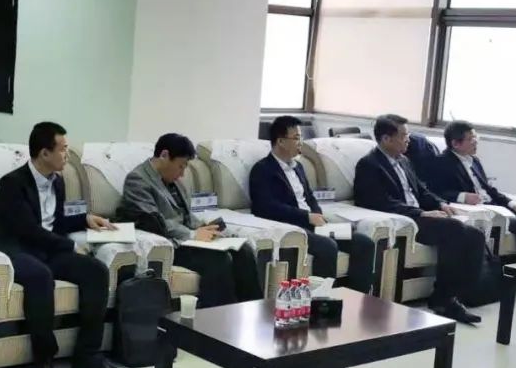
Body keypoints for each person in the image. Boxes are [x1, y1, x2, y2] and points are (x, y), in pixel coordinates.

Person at [0, 121, 127, 368]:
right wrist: (69, 246)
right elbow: (28, 230)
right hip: (15, 248)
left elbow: (56, 221)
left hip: (45, 248)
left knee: (96, 271)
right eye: (62, 149)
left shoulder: (58, 181)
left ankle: (87, 355)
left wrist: (85, 219)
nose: (67, 155)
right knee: (41, 276)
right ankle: (44, 359)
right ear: (44, 153)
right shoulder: (12, 184)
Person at [353, 114, 486, 325]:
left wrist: (441, 204)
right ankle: (443, 299)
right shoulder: (369, 164)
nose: (409, 140)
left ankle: (459, 295)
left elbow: (422, 190)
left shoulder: (405, 160)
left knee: (475, 235)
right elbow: (378, 202)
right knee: (453, 229)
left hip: (422, 214)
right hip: (406, 219)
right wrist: (421, 213)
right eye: (404, 135)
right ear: (386, 139)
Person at [119, 133, 261, 307]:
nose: (182, 174)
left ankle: (252, 310)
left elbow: (187, 216)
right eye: (180, 166)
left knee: (243, 250)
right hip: (169, 244)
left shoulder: (173, 180)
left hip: (188, 241)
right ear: (164, 155)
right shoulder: (137, 180)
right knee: (219, 260)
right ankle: (216, 318)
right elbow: (153, 221)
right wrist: (193, 234)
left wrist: (205, 228)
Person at [250, 116, 375, 292]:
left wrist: (317, 214)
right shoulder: (262, 169)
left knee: (363, 242)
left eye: (301, 137)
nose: (301, 142)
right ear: (280, 141)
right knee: (327, 246)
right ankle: (322, 301)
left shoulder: (298, 167)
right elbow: (266, 207)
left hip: (314, 224)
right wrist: (307, 216)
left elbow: (309, 198)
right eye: (296, 138)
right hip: (293, 227)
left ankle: (356, 297)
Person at [433, 121, 516, 260]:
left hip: (498, 208)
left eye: (476, 137)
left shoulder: (474, 161)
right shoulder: (441, 162)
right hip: (482, 214)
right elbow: (435, 192)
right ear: (455, 143)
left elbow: (490, 190)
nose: (476, 142)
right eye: (471, 139)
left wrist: (514, 204)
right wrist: (463, 196)